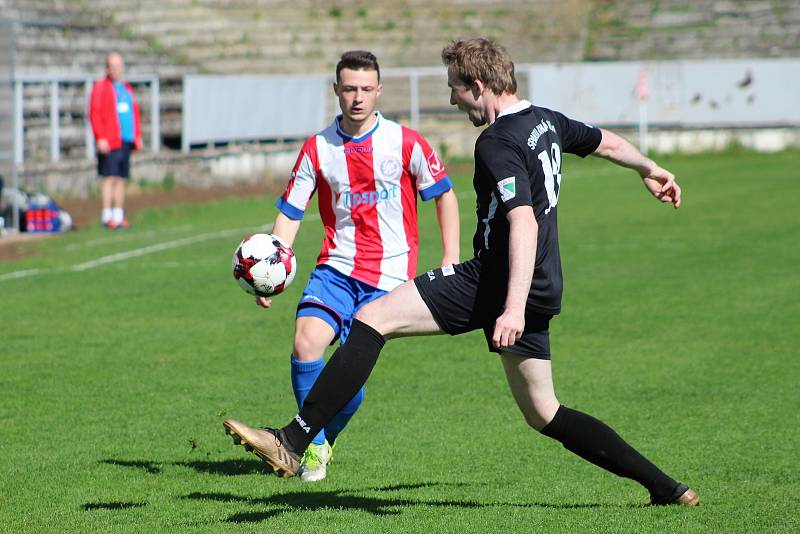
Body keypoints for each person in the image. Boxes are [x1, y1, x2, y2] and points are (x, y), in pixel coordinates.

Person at [223, 38, 699, 507]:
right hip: (544, 284)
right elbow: (605, 142)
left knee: (372, 320)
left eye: (454, 88)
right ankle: (665, 487)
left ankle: (291, 441)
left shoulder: (495, 143)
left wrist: (510, 308)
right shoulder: (544, 121)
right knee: (545, 413)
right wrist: (649, 168)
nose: (451, 98)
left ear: (477, 84)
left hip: (496, 282)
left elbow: (523, 221)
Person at [225, 50, 460, 482]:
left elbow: (443, 194)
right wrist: (269, 268)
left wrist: (450, 257)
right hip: (335, 269)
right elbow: (293, 211)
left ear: (379, 91)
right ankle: (310, 448)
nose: (357, 98)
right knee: (306, 343)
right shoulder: (318, 148)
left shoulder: (406, 142)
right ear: (336, 90)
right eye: (349, 88)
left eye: (366, 89)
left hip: (390, 279)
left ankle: (313, 438)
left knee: (349, 379)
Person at [88, 52, 142, 229]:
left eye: (119, 65)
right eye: (113, 66)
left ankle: (118, 215)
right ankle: (106, 215)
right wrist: (100, 137)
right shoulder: (101, 86)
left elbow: (134, 113)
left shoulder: (126, 87)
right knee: (109, 177)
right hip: (110, 140)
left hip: (125, 140)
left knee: (121, 178)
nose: (116, 69)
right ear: (108, 68)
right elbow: (94, 113)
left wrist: (137, 135)